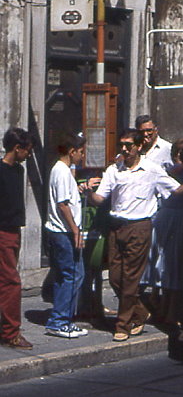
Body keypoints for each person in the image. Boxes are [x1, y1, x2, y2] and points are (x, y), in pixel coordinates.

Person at [86, 128, 183, 342]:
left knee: (131, 279)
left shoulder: (152, 170)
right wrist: (88, 192)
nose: (124, 149)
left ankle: (122, 324)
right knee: (116, 277)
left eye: (128, 145)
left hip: (140, 227)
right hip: (116, 227)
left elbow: (176, 190)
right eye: (121, 145)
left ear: (139, 146)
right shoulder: (113, 170)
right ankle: (140, 312)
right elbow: (100, 198)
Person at [141, 139, 183, 330]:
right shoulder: (172, 170)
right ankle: (167, 311)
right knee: (169, 265)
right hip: (173, 220)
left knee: (176, 268)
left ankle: (168, 309)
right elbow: (172, 174)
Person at [44, 134, 96, 339]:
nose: (82, 156)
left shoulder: (62, 171)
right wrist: (76, 231)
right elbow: (62, 204)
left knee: (64, 276)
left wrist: (79, 188)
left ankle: (62, 318)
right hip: (63, 232)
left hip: (58, 231)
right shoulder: (62, 172)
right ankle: (59, 320)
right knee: (74, 275)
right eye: (81, 152)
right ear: (71, 151)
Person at [0, 127, 33, 349]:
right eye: (26, 150)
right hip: (4, 231)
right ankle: (11, 333)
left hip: (14, 230)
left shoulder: (19, 170)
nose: (28, 155)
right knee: (11, 282)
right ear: (17, 148)